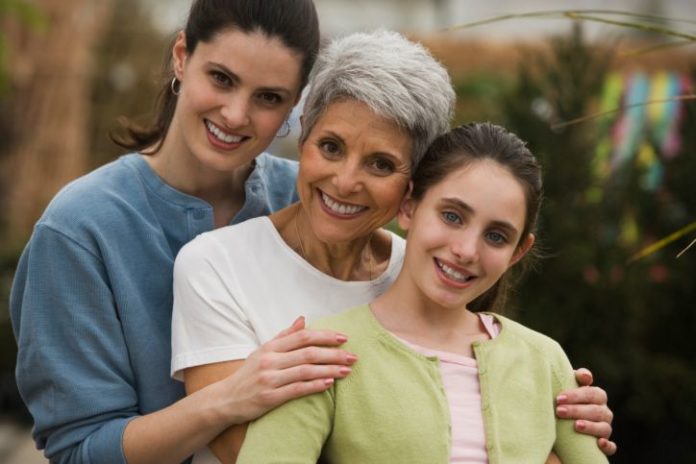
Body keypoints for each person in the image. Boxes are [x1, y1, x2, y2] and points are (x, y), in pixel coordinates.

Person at [171, 31, 616, 464]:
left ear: (412, 188)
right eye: (330, 147)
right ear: (303, 133)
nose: (345, 182)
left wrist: (554, 426)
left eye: (381, 164)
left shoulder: (433, 275)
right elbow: (239, 451)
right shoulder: (217, 264)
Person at [10, 2, 360, 463]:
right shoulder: (79, 229)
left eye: (269, 98)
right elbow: (80, 451)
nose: (236, 114)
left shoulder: (310, 201)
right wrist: (229, 398)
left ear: (294, 104)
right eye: (222, 78)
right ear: (181, 55)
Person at [234, 122, 610, 463]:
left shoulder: (544, 361)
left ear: (518, 252)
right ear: (410, 206)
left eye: (496, 236)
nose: (466, 250)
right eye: (452, 216)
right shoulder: (322, 353)